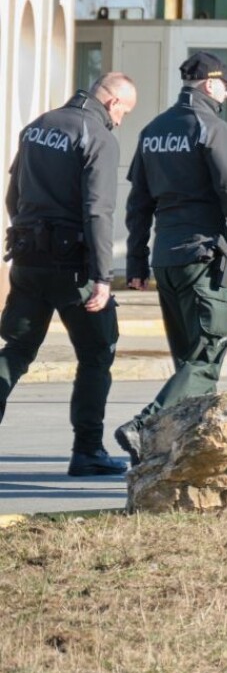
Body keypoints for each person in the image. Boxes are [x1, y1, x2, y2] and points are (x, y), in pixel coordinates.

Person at [116, 52, 227, 465]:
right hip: (201, 257)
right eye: (225, 85)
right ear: (208, 84)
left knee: (189, 365)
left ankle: (173, 453)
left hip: (165, 259)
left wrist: (135, 262)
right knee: (207, 354)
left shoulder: (152, 131)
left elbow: (138, 205)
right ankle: (145, 427)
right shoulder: (213, 128)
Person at [0, 73, 137, 476]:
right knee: (97, 353)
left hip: (28, 260)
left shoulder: (39, 126)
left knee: (16, 352)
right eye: (125, 112)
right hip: (73, 267)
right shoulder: (98, 136)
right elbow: (98, 211)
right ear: (112, 103)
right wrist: (102, 277)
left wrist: (29, 231)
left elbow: (12, 194)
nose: (122, 121)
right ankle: (88, 450)